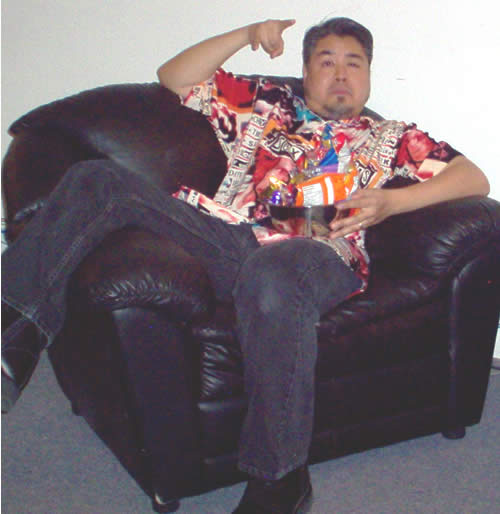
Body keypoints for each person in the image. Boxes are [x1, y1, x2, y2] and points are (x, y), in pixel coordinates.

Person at [1, 17, 489, 514]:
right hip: (227, 235)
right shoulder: (265, 108)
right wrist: (246, 34)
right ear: (304, 72)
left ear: (368, 76)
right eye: (326, 61)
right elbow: (173, 77)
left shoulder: (391, 135)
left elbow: (474, 178)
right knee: (95, 179)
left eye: (353, 63)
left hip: (317, 251)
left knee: (274, 272)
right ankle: (13, 331)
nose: (341, 73)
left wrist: (391, 205)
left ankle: (280, 481)